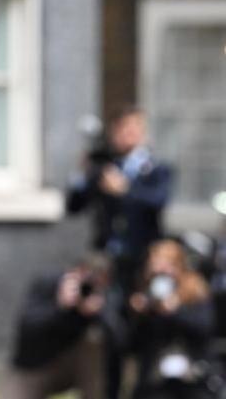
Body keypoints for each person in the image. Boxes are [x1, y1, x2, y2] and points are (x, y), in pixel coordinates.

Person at [67, 106, 174, 294]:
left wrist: (125, 190)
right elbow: (74, 206)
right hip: (107, 254)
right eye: (123, 128)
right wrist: (83, 174)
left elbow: (158, 201)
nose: (128, 134)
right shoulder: (105, 168)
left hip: (142, 253)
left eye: (133, 128)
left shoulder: (157, 169)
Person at [2, 254, 126, 399]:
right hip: (33, 367)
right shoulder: (49, 282)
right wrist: (60, 307)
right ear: (76, 273)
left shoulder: (101, 296)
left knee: (95, 338)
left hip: (71, 366)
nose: (88, 288)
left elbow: (121, 338)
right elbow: (28, 327)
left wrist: (99, 313)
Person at [127, 239, 218, 399]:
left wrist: (176, 312)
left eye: (167, 266)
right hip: (155, 377)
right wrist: (139, 314)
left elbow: (205, 329)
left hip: (192, 374)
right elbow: (131, 344)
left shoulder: (196, 291)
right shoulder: (145, 294)